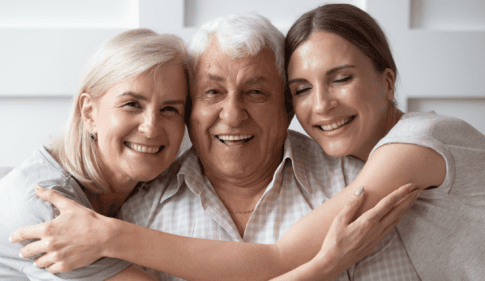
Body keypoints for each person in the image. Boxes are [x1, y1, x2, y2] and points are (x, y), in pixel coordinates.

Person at [8, 13, 420, 281]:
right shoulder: (114, 216)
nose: (233, 114)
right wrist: (325, 266)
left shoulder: (360, 180)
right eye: (212, 92)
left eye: (255, 92)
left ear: (287, 105)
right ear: (194, 112)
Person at [284, 3, 485, 280]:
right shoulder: (385, 151)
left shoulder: (412, 144)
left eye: (341, 79)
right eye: (301, 89)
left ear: (387, 83)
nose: (322, 105)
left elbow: (278, 257)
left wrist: (327, 264)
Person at [0, 28, 190, 280]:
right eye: (132, 104)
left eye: (169, 109)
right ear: (89, 113)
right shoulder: (47, 203)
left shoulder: (159, 185)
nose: (151, 127)